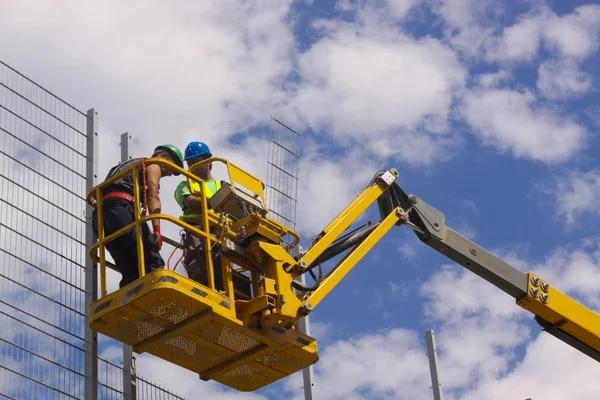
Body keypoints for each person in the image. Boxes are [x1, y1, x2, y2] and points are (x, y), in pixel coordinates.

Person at [92, 144, 185, 288]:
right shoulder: (152, 165)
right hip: (121, 211)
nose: (169, 174)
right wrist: (157, 231)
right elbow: (152, 196)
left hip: (101, 217)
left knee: (130, 269)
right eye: (170, 168)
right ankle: (159, 293)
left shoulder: (129, 168)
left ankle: (132, 298)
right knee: (152, 259)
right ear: (162, 157)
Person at [174, 141, 224, 290]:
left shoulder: (222, 186)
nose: (191, 168)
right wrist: (215, 202)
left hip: (221, 235)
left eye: (195, 162)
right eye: (189, 164)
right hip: (197, 233)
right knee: (200, 270)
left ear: (209, 162)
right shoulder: (185, 185)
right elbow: (190, 201)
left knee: (225, 273)